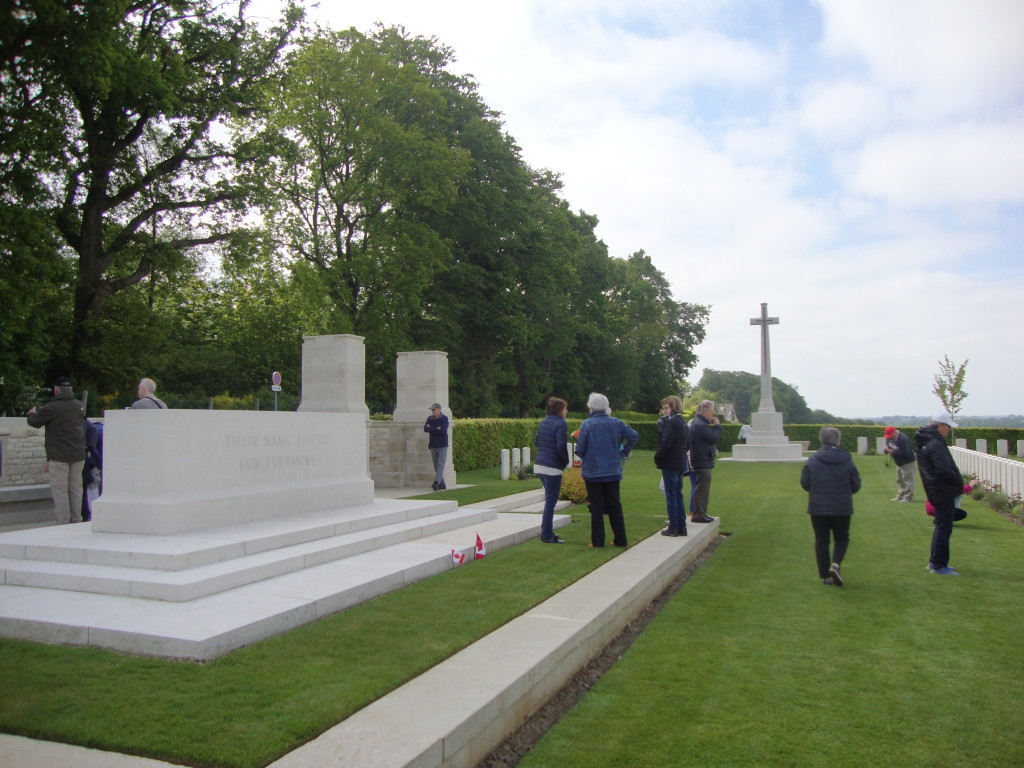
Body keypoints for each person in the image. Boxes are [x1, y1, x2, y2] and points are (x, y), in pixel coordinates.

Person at [575, 392, 638, 548]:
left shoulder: (587, 424)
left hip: (593, 471)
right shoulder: (616, 422)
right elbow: (633, 436)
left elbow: (581, 448)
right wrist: (622, 453)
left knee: (596, 506)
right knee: (615, 505)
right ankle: (620, 539)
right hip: (612, 470)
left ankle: (598, 541)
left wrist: (583, 454)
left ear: (592, 408)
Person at [800, 427, 861, 586]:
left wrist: (818, 491)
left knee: (821, 540)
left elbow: (805, 483)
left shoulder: (813, 460)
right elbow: (855, 484)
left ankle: (825, 576)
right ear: (838, 441)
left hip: (818, 507)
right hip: (841, 506)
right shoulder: (847, 459)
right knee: (841, 537)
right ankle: (836, 564)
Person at [26, 377, 87, 524]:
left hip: (59, 456)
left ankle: (63, 522)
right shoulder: (79, 406)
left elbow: (35, 422)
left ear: (56, 390)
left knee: (60, 490)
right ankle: (76, 519)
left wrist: (32, 413)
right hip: (78, 454)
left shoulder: (52, 407)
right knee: (76, 489)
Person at [915, 411, 965, 575]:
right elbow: (943, 470)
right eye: (948, 426)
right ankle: (938, 565)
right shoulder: (935, 444)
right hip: (942, 490)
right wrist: (958, 480)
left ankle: (935, 562)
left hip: (935, 489)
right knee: (944, 529)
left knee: (941, 527)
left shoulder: (926, 441)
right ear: (940, 425)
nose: (949, 430)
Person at [534, 397, 570, 544]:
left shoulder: (543, 422)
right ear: (560, 410)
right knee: (550, 501)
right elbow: (561, 446)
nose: (566, 411)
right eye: (565, 409)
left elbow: (537, 442)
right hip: (552, 467)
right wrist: (565, 461)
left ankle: (547, 531)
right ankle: (547, 534)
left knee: (549, 499)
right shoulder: (561, 424)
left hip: (539, 464)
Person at [655, 395, 690, 537]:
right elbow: (688, 444)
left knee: (671, 495)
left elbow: (665, 443)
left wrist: (658, 456)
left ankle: (674, 526)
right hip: (681, 460)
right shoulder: (682, 422)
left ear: (673, 407)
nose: (664, 411)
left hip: (671, 461)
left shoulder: (671, 423)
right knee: (678, 494)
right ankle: (682, 526)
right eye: (663, 408)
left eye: (666, 408)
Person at [688, 400, 722, 524]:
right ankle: (699, 514)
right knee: (702, 489)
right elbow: (713, 438)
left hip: (701, 459)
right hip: (702, 461)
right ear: (705, 411)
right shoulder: (700, 425)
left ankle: (701, 513)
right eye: (712, 411)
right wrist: (718, 426)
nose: (713, 414)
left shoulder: (699, 423)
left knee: (702, 488)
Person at [883, 426, 916, 502]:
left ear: (894, 432)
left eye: (890, 435)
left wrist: (893, 452)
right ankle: (901, 496)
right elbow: (889, 446)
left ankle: (908, 497)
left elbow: (906, 452)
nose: (889, 437)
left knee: (907, 480)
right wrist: (886, 449)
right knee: (899, 480)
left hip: (907, 462)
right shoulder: (891, 438)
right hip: (899, 462)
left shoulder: (903, 439)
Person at [81, 417, 103, 522]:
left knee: (91, 485)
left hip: (91, 461)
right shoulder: (100, 429)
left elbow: (94, 450)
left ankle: (92, 513)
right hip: (96, 461)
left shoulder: (95, 431)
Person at [424, 403, 449, 490]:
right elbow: (425, 429)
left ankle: (436, 482)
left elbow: (442, 431)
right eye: (432, 410)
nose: (432, 411)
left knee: (440, 464)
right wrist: (436, 428)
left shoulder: (444, 418)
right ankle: (442, 484)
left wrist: (432, 428)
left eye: (434, 410)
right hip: (433, 444)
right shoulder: (430, 418)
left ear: (439, 410)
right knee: (436, 465)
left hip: (442, 445)